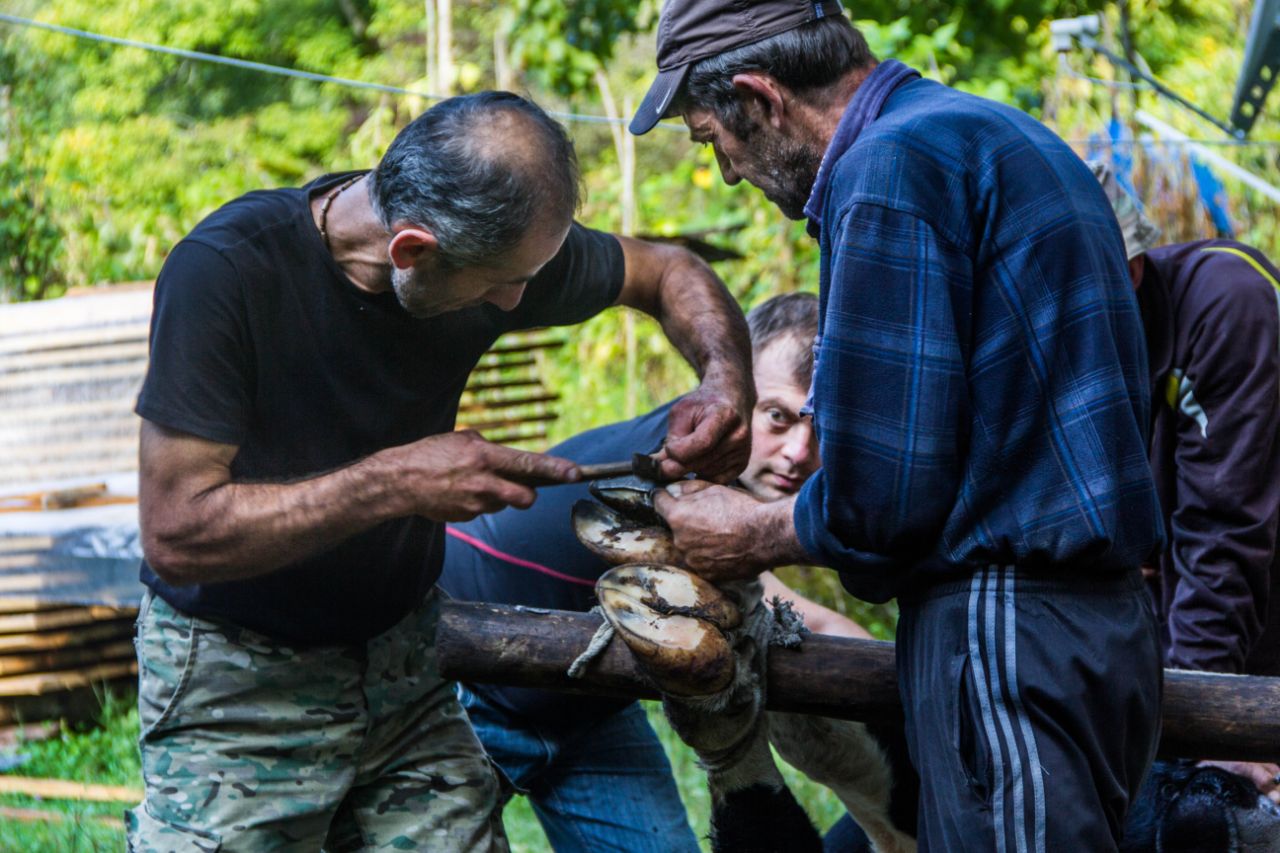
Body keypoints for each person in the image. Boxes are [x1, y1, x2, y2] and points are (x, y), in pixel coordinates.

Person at [128, 91, 754, 851]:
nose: (518, 300)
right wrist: (396, 482)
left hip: (403, 665)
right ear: (412, 251)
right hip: (237, 676)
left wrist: (725, 383)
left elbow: (667, 270)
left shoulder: (496, 249)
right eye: (500, 283)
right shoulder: (226, 273)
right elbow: (176, 533)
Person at [631, 3, 1166, 850]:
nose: (729, 173)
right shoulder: (996, 132)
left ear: (759, 97)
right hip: (1101, 629)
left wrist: (754, 532)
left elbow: (886, 498)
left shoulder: (888, 170)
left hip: (1006, 632)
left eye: (712, 140)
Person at [439, 292, 870, 852]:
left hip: (587, 705)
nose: (798, 451)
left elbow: (776, 607)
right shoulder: (678, 465)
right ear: (735, 388)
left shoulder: (731, 495)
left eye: (820, 429)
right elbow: (796, 613)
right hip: (468, 682)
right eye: (778, 417)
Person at [1092, 164, 1280, 806]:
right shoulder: (1092, 348)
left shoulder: (1228, 300)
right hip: (1194, 628)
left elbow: (1223, 531)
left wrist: (1203, 720)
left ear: (1132, 271)